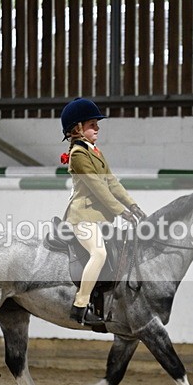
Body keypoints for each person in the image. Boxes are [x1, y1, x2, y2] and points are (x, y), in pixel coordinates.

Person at [59, 98, 146, 325]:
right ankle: (80, 305)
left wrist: (133, 206)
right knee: (99, 253)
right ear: (77, 128)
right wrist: (120, 212)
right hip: (82, 217)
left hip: (98, 218)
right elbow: (98, 188)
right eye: (92, 125)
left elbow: (112, 183)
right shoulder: (79, 155)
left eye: (96, 124)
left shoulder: (95, 151)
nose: (97, 128)